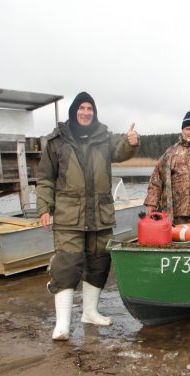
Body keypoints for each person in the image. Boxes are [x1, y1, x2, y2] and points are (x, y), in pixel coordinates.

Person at [36, 91, 140, 341]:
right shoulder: (57, 141)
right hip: (68, 214)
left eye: (89, 108)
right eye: (81, 108)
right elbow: (45, 178)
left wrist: (132, 142)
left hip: (100, 214)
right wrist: (43, 208)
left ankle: (90, 312)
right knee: (67, 265)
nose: (86, 112)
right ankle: (62, 324)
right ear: (74, 111)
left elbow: (121, 150)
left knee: (99, 262)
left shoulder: (103, 137)